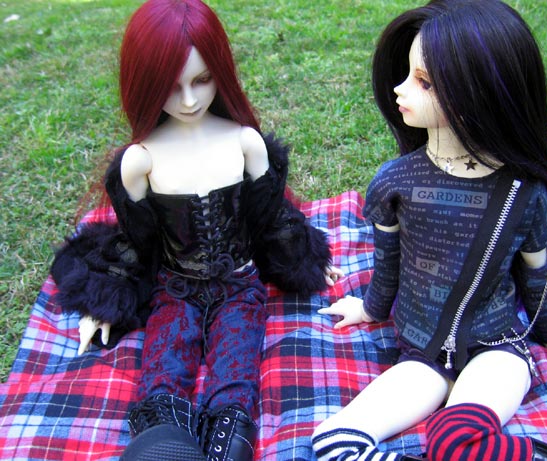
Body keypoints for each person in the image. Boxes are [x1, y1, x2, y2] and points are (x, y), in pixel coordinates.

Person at [49, 1, 342, 460]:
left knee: (236, 375)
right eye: (171, 85)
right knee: (163, 374)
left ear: (219, 72)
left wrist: (305, 258)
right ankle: (164, 446)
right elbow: (138, 239)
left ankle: (228, 444)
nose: (188, 100)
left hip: (240, 284)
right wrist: (108, 298)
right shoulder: (140, 160)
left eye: (202, 80)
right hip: (174, 287)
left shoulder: (244, 142)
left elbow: (269, 217)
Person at [312, 1, 547, 460]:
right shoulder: (395, 182)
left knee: (456, 440)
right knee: (335, 440)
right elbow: (388, 260)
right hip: (420, 353)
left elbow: (537, 272)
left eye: (423, 81)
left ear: (480, 94)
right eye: (407, 73)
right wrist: (371, 307)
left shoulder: (524, 193)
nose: (399, 89)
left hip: (497, 348)